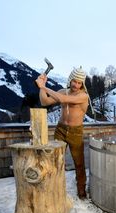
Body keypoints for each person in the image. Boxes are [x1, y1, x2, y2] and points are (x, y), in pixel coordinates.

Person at [35, 67, 90, 199]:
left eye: (79, 82)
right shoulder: (62, 91)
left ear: (82, 84)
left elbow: (63, 100)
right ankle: (54, 189)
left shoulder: (83, 96)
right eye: (74, 81)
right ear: (70, 80)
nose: (76, 85)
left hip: (75, 132)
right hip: (60, 129)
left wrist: (44, 86)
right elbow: (44, 102)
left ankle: (81, 191)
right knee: (55, 160)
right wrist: (42, 87)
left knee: (79, 163)